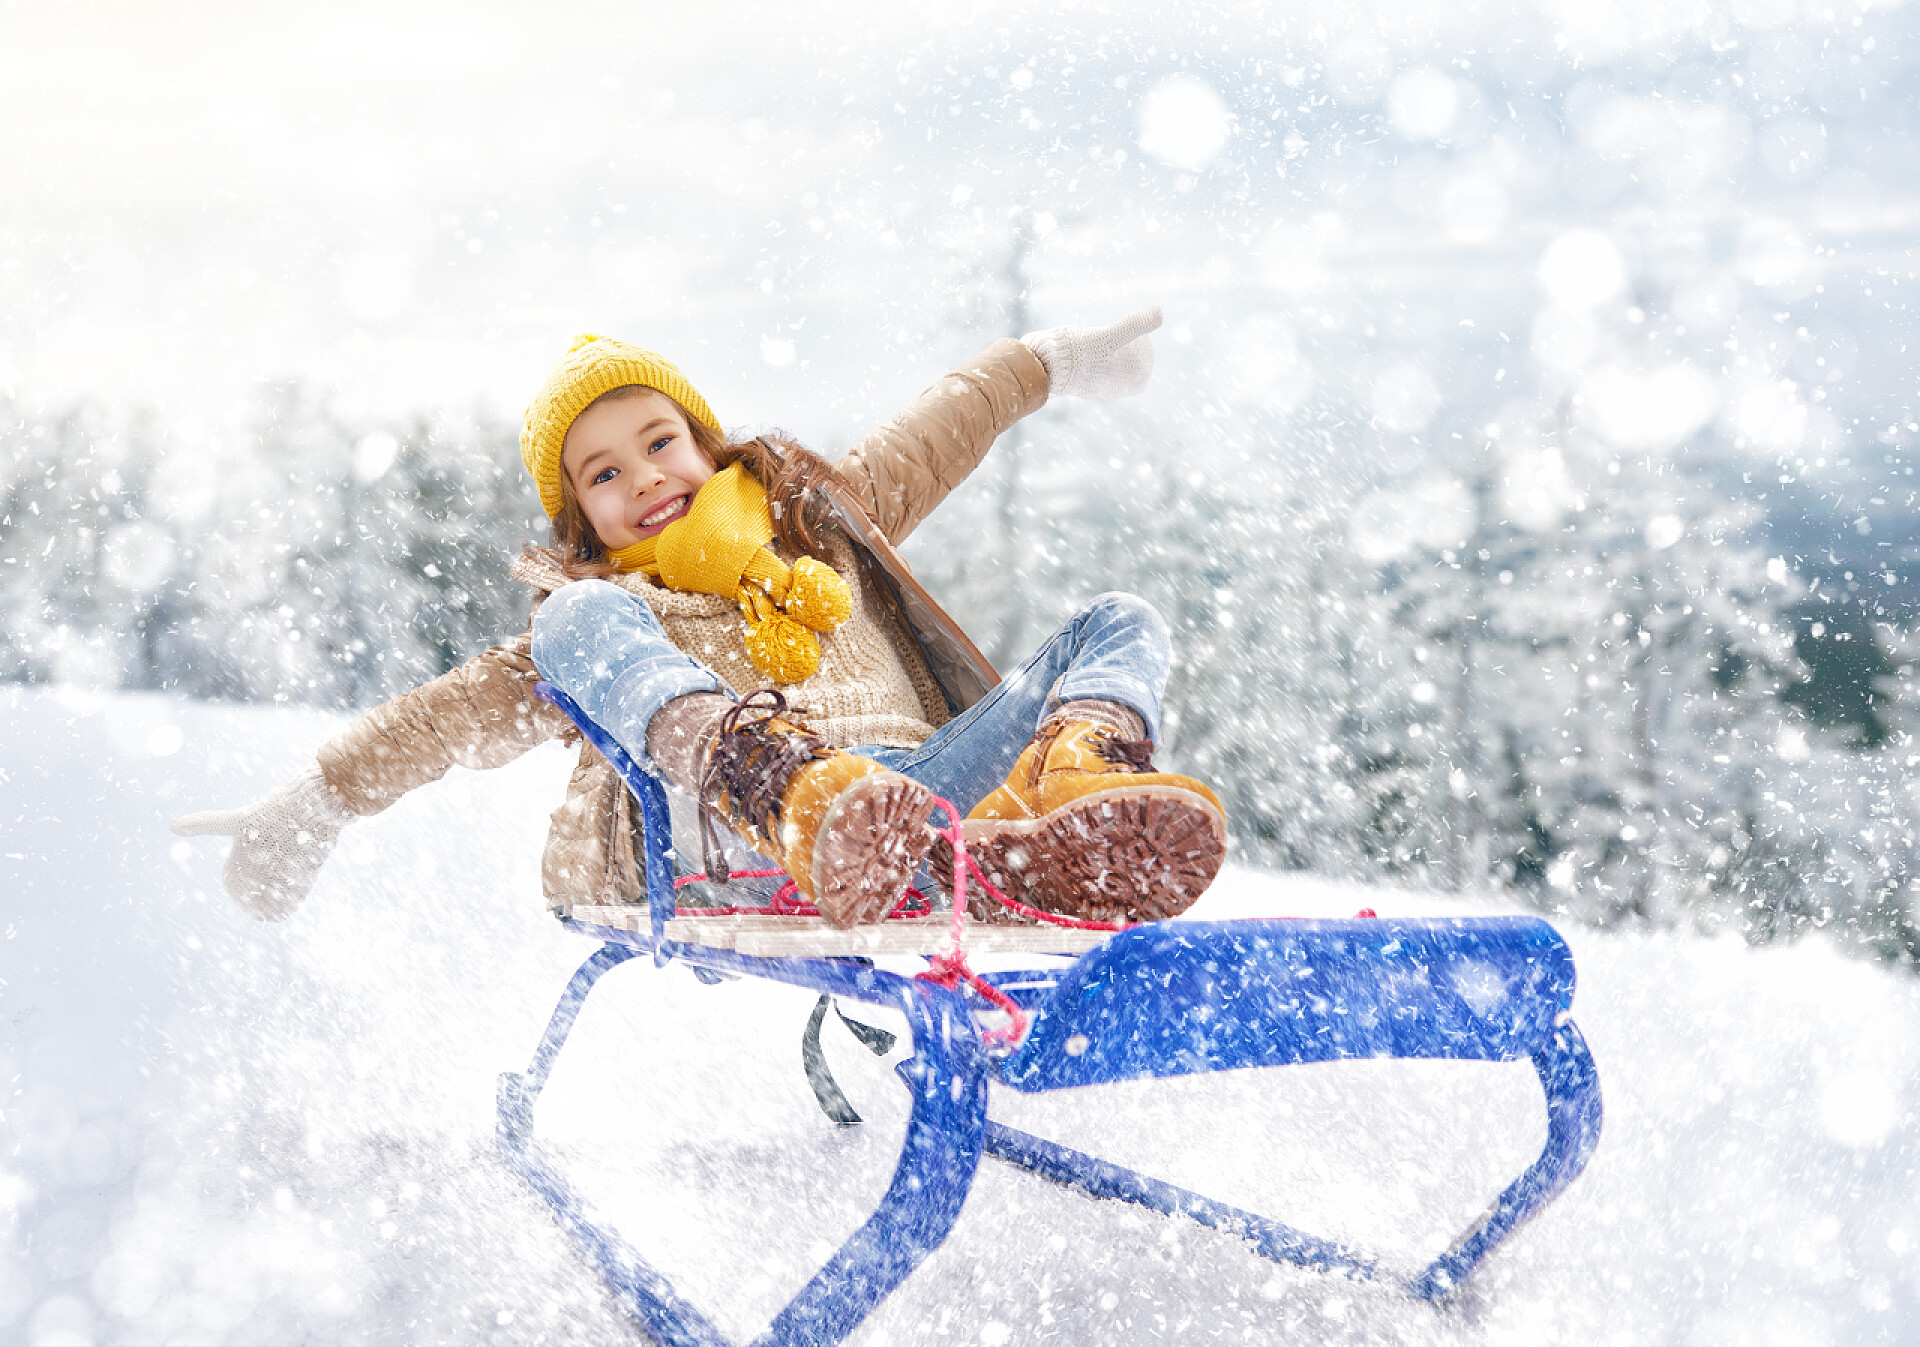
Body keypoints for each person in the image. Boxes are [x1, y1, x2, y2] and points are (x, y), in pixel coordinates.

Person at [172, 309, 1226, 929]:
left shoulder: (822, 516)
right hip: (725, 836)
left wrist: (1049, 361)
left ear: (705, 441)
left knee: (1115, 622)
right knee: (569, 625)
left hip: (917, 801)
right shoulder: (612, 608)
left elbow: (941, 424)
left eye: (659, 440)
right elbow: (444, 718)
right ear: (580, 513)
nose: (645, 477)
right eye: (604, 473)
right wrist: (314, 803)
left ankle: (1056, 814)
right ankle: (792, 790)